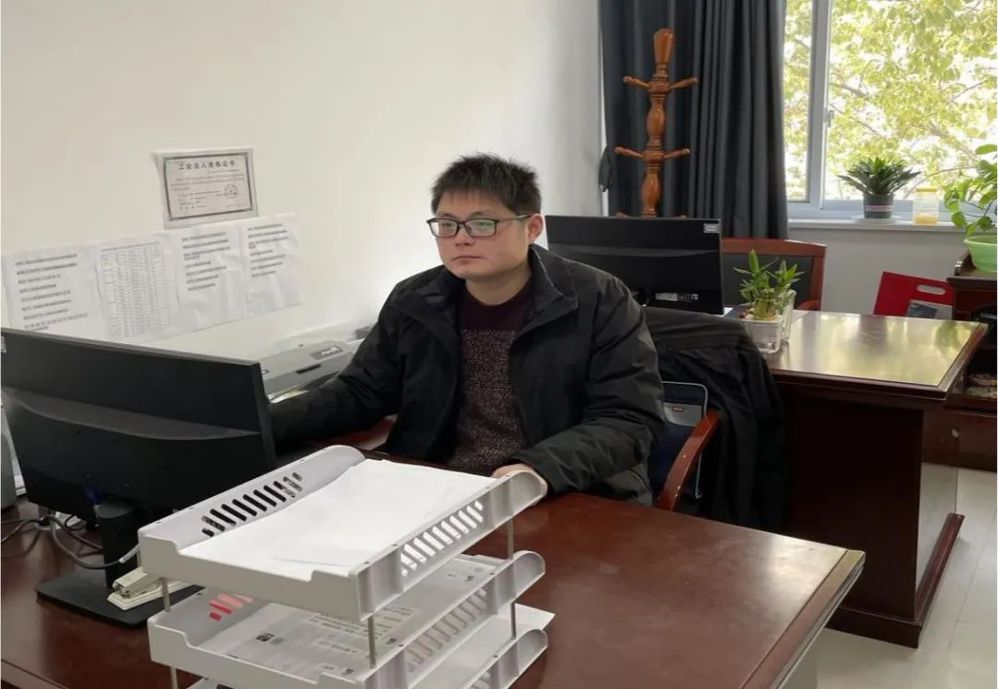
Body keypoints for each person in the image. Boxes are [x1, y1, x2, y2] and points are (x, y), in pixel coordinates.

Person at [270, 154, 664, 503]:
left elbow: (628, 419)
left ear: (532, 228)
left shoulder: (599, 298)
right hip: (436, 487)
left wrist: (536, 469)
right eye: (447, 224)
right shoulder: (414, 299)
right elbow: (360, 393)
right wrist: (263, 423)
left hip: (566, 490)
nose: (460, 239)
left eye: (482, 224)